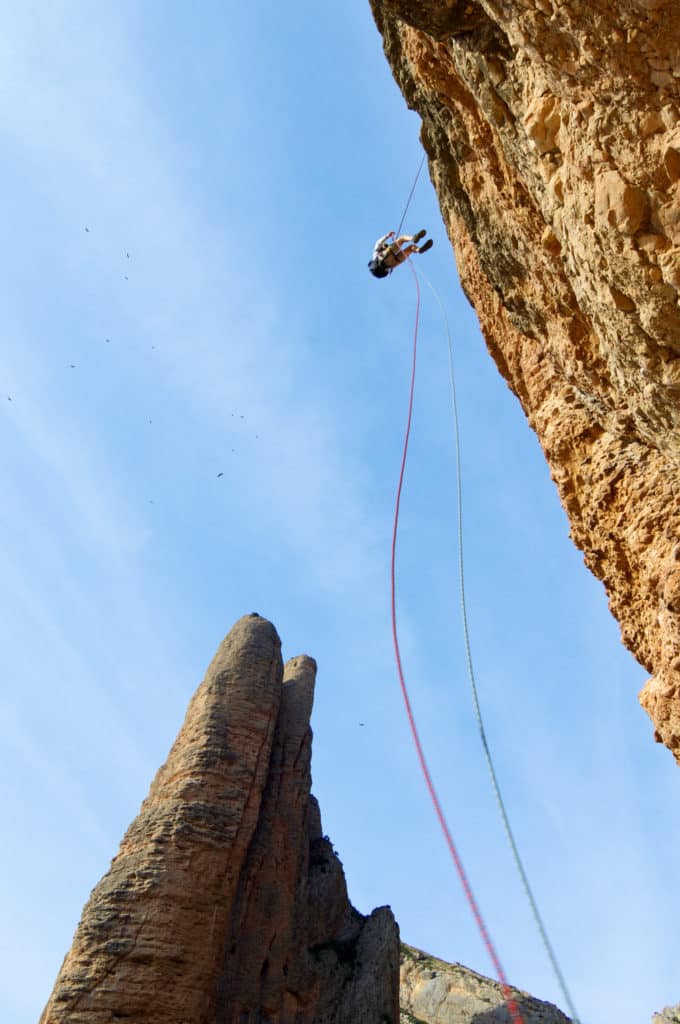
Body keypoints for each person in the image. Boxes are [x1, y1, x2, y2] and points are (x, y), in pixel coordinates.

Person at [368, 229, 433, 278]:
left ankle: (419, 250)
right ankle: (413, 238)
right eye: (386, 245)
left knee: (410, 248)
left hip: (392, 264)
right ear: (383, 247)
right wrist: (387, 236)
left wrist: (397, 262)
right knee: (402, 239)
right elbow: (378, 243)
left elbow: (395, 265)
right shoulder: (376, 255)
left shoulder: (381, 267)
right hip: (386, 255)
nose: (386, 245)